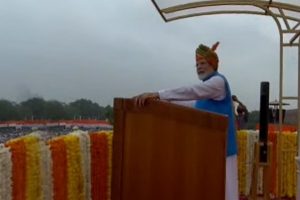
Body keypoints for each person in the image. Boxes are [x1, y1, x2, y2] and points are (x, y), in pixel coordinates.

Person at [133, 42, 238, 200]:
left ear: (213, 64)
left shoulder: (218, 82)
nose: (199, 67)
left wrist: (159, 94)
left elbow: (192, 91)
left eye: (203, 63)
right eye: (196, 64)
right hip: (208, 149)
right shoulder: (207, 93)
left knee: (223, 191)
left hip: (223, 151)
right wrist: (162, 102)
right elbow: (191, 104)